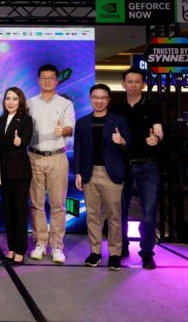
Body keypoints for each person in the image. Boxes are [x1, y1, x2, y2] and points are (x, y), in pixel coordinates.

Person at [74, 84, 131, 271]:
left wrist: (122, 141)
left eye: (103, 97)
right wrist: (78, 172)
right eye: (95, 97)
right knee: (92, 215)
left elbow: (129, 145)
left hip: (111, 174)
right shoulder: (82, 122)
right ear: (90, 99)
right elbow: (79, 149)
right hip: (89, 173)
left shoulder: (119, 121)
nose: (99, 101)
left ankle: (115, 254)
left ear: (108, 99)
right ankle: (95, 252)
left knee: (114, 216)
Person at [111, 67, 164, 269]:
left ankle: (147, 253)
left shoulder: (152, 106)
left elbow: (158, 129)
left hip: (147, 165)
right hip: (122, 165)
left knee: (149, 212)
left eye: (137, 82)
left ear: (143, 84)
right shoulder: (116, 108)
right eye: (129, 81)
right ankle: (122, 247)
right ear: (123, 84)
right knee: (120, 211)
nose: (133, 85)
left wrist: (156, 138)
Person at [27, 64, 75, 263]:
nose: (47, 81)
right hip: (33, 156)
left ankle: (56, 246)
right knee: (36, 203)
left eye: (51, 78)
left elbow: (70, 127)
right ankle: (40, 242)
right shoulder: (29, 103)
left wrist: (63, 131)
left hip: (57, 157)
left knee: (58, 204)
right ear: (38, 80)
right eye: (43, 78)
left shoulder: (65, 104)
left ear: (57, 80)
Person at [0, 87, 33, 266]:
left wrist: (20, 141)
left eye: (14, 99)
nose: (10, 102)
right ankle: (11, 248)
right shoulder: (0, 120)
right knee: (7, 212)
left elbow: (27, 138)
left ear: (20, 101)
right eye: (8, 98)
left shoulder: (26, 119)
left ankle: (20, 250)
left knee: (19, 212)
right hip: (3, 172)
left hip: (19, 173)